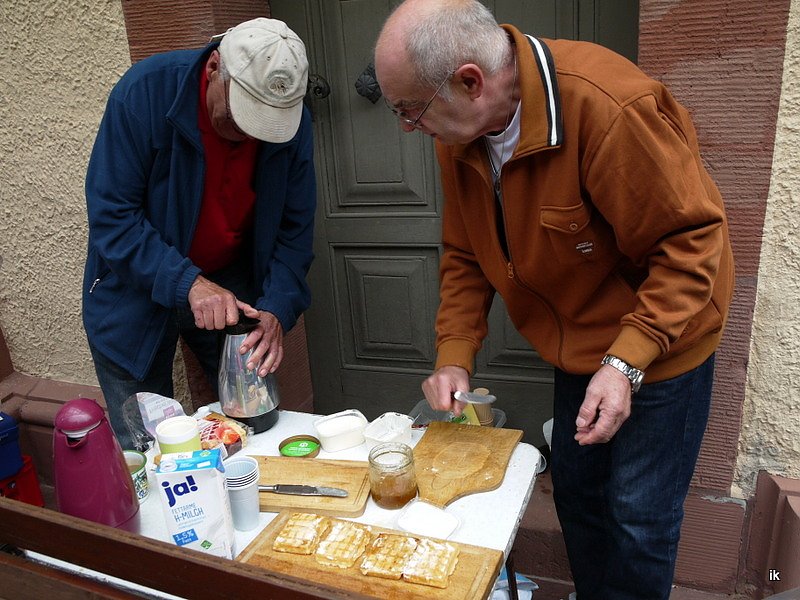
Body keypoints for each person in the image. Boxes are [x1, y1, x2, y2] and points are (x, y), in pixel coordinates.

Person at [374, 1, 734, 598]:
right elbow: (466, 252)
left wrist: (626, 362)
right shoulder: (460, 132)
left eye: (411, 108)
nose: (407, 126)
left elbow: (693, 245)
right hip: (576, 346)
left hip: (664, 347)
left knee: (638, 519)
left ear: (470, 81)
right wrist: (455, 351)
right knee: (580, 498)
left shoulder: (610, 108)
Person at [82, 18, 316, 448]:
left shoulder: (293, 122)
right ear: (213, 69)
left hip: (230, 281)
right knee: (147, 444)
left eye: (264, 125)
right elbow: (113, 217)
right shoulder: (144, 94)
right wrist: (187, 283)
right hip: (132, 289)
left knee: (254, 417)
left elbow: (294, 230)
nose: (249, 134)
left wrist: (278, 307)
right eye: (239, 118)